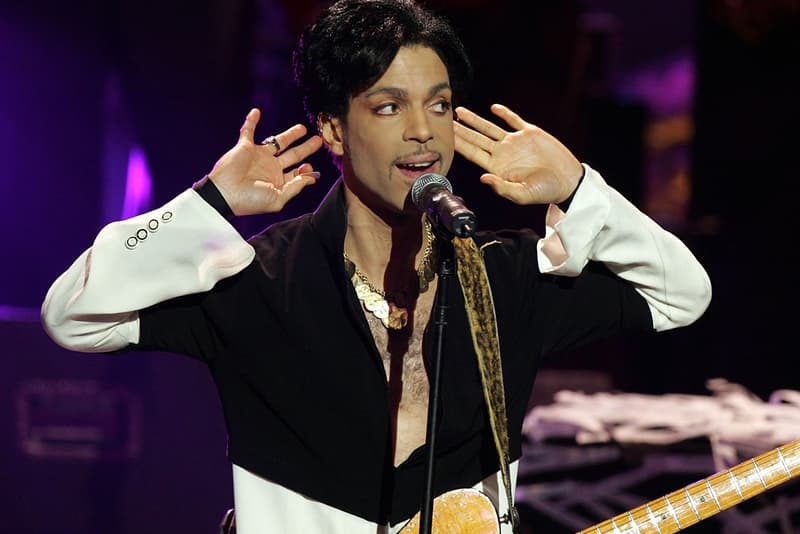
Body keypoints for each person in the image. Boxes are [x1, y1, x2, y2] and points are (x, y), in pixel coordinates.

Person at [40, 0, 712, 532]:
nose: (423, 132)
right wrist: (209, 204)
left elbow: (683, 293)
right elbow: (72, 315)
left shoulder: (502, 279)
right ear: (333, 128)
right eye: (389, 107)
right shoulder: (258, 281)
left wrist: (578, 189)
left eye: (440, 105)